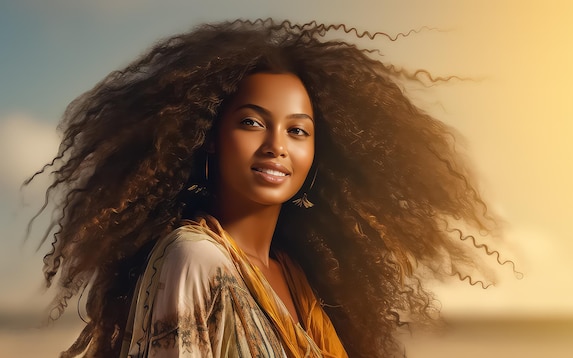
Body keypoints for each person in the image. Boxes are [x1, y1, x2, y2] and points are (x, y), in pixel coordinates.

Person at [30, 19, 510, 358]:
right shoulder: (196, 259)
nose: (276, 146)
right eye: (252, 122)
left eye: (298, 131)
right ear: (210, 139)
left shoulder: (296, 277)